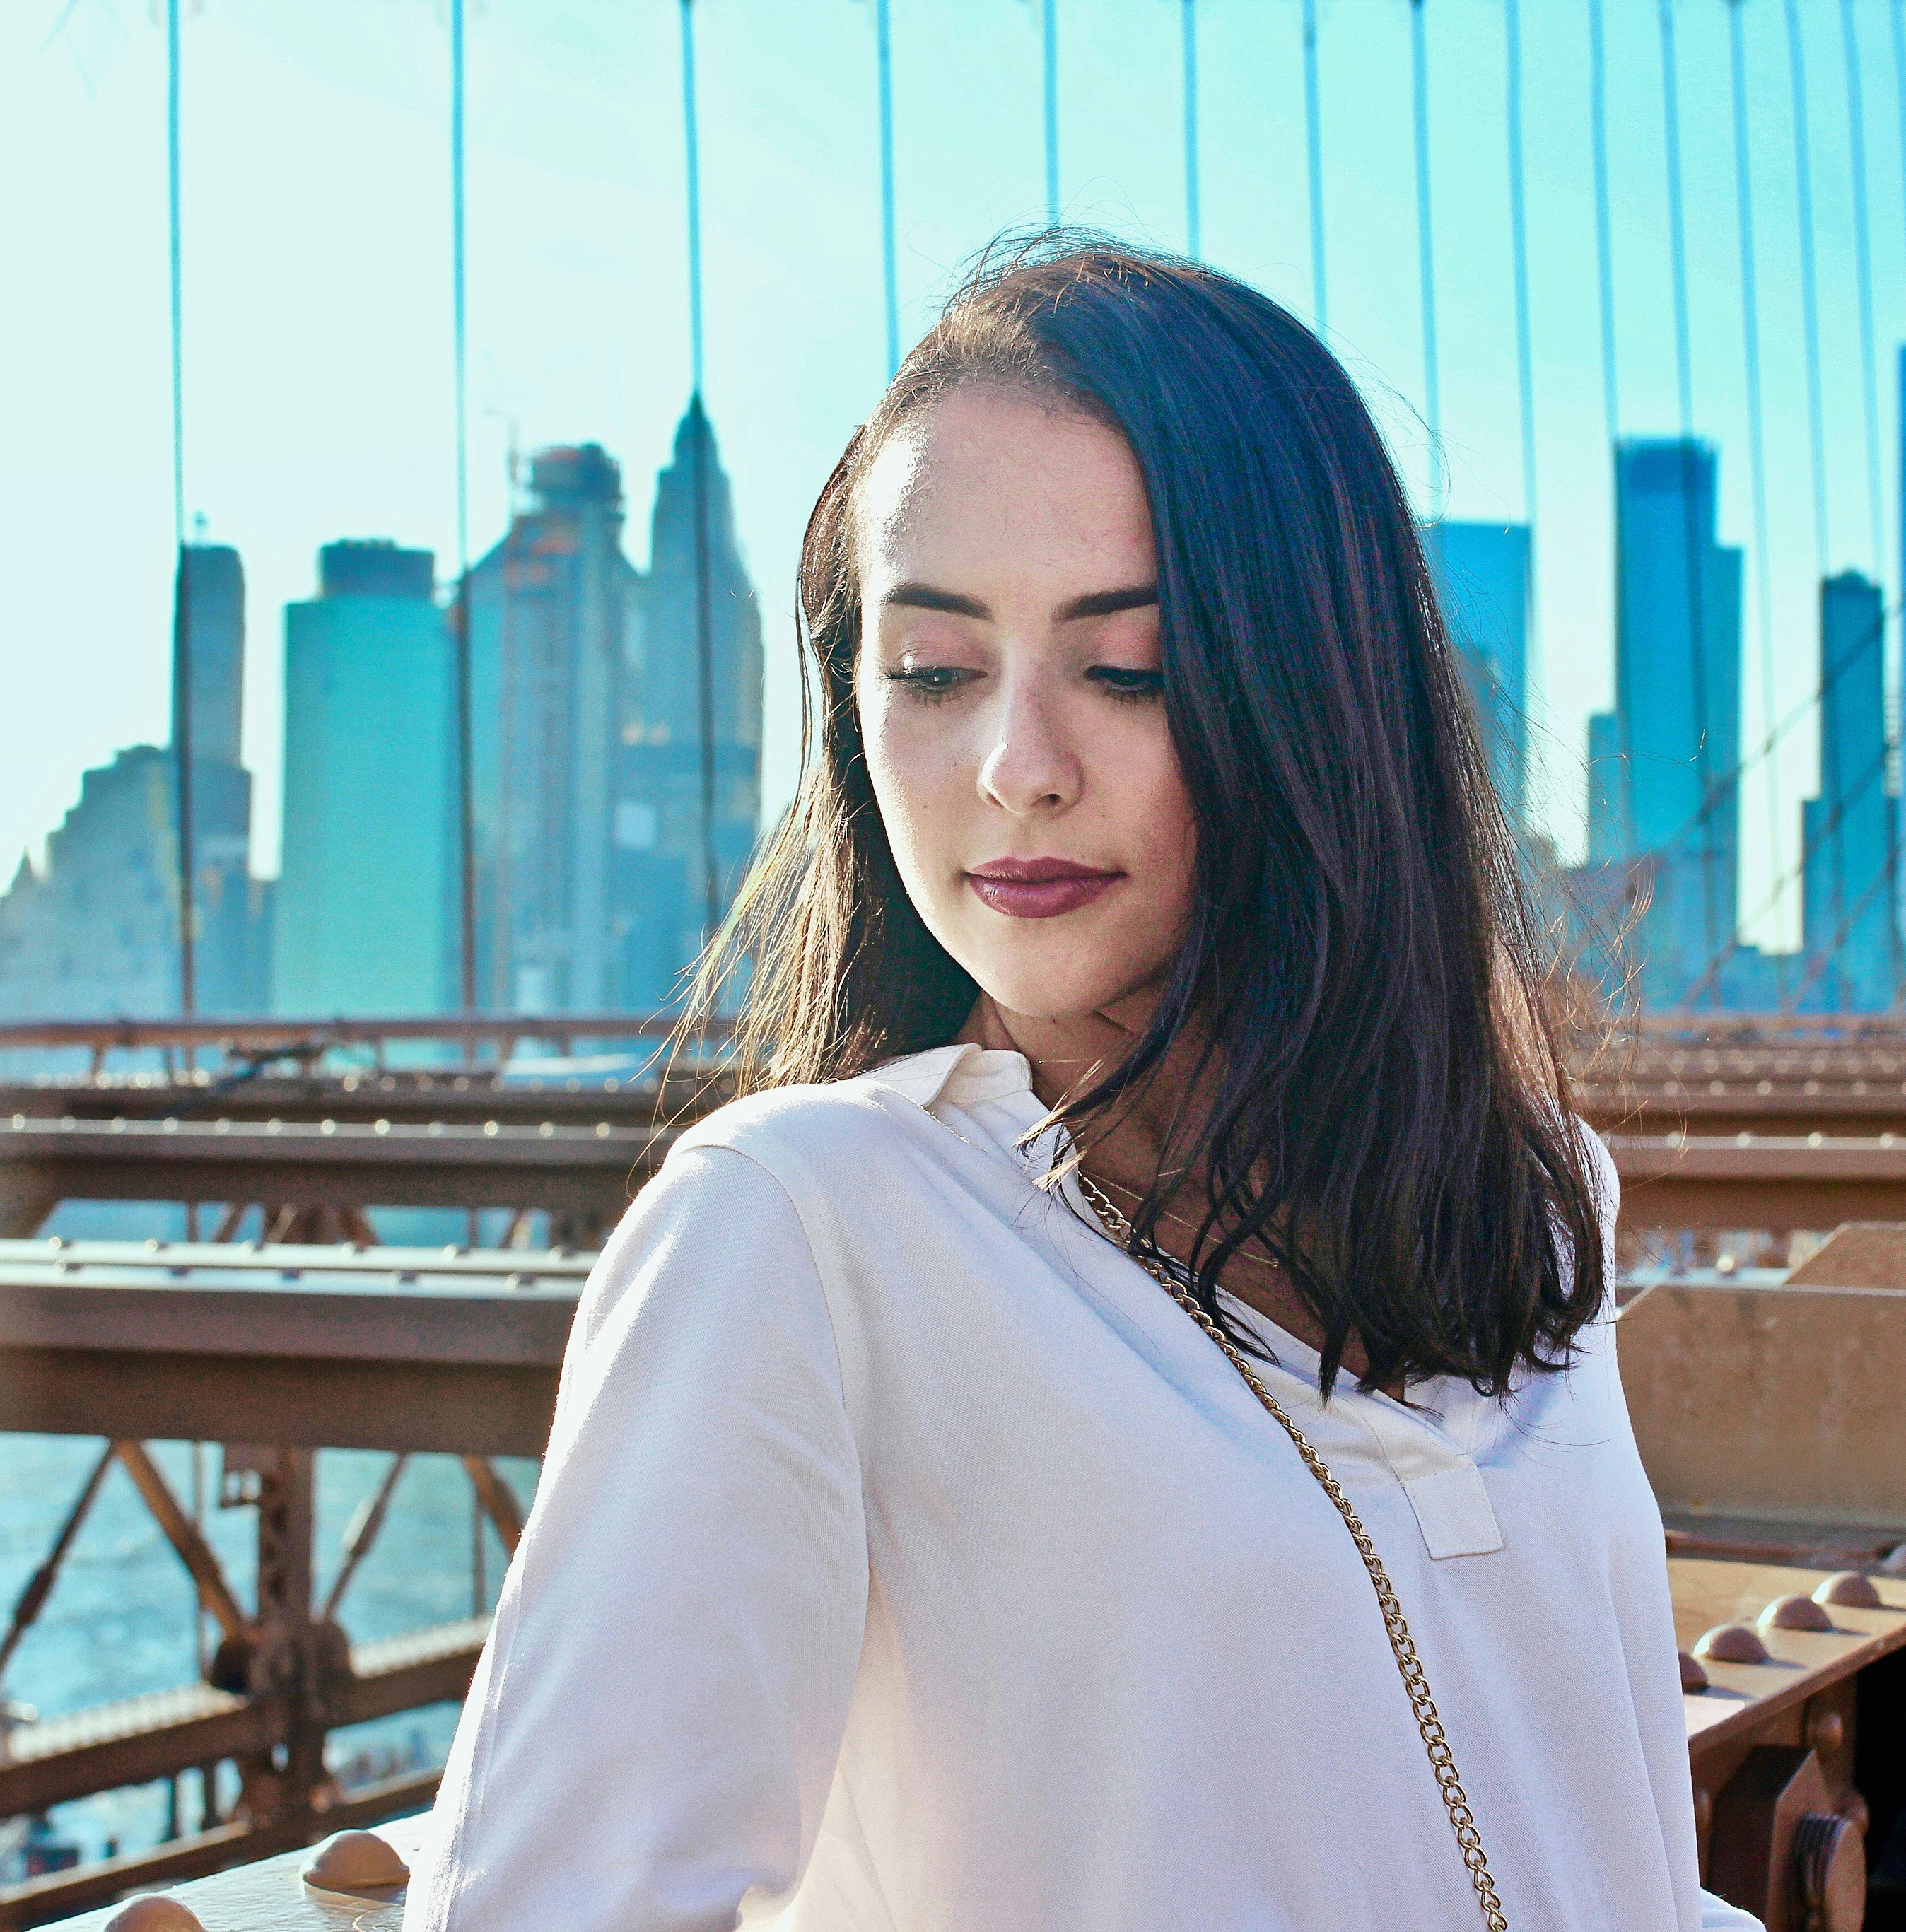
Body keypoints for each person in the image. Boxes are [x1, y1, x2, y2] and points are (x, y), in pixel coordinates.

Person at [403, 235, 1761, 1932]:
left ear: (1320, 699)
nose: (1014, 769)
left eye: (1127, 666)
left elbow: (1616, 1854)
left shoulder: (1527, 1193)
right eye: (932, 671)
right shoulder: (798, 1231)